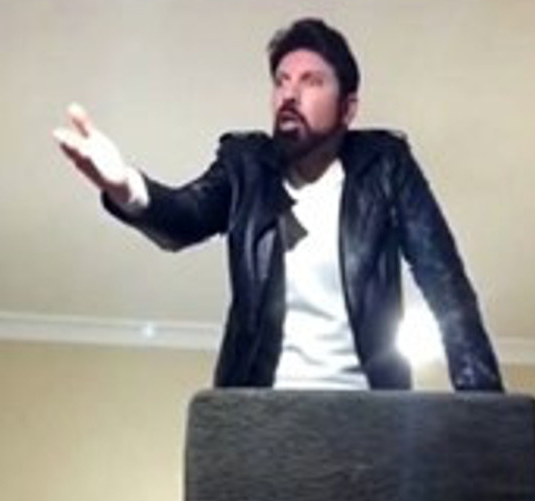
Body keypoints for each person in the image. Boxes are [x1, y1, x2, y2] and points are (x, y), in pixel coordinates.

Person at [55, 18, 504, 392]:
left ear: (348, 108)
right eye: (281, 82)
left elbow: (444, 281)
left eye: (312, 82)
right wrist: (123, 185)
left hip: (368, 418)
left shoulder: (384, 165)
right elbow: (184, 218)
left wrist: (488, 418)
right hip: (259, 417)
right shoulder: (245, 164)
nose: (289, 94)